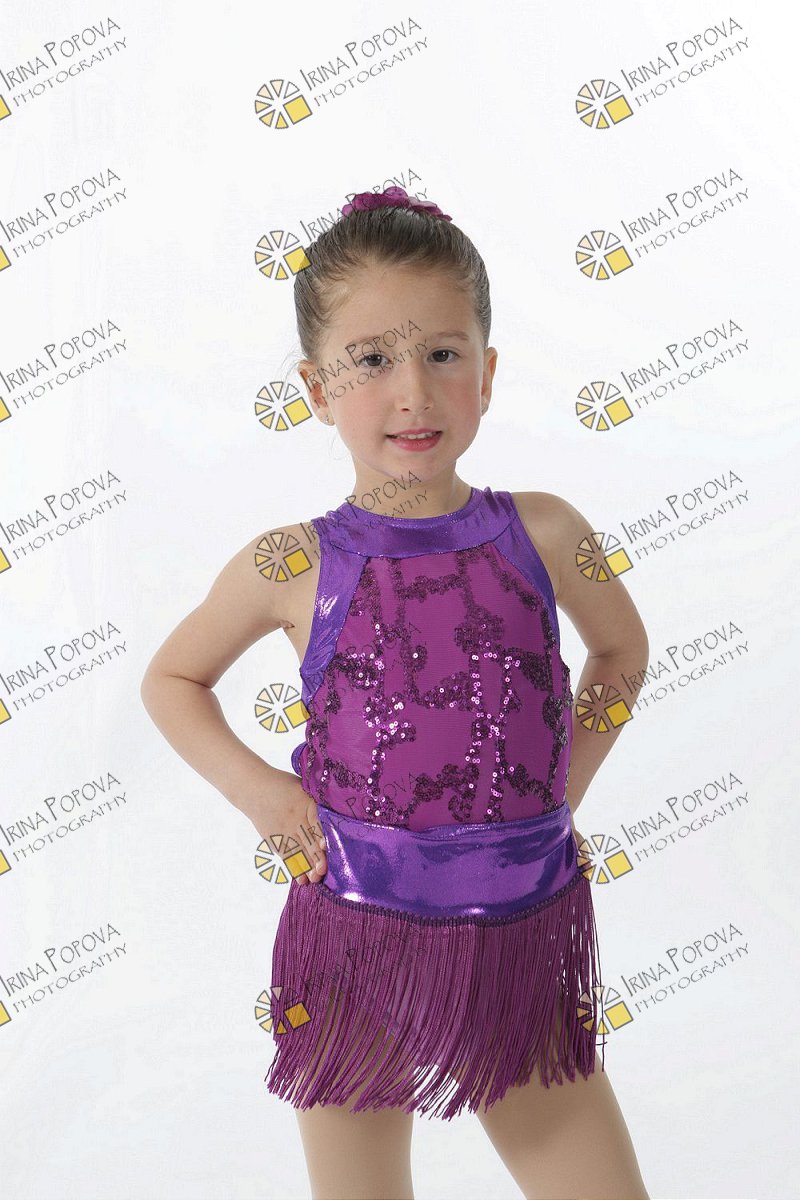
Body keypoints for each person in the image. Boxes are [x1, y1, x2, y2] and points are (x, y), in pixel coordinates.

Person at [140, 185, 651, 1200]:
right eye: (372, 360)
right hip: (350, 937)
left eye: (444, 354)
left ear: (488, 373)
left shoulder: (546, 532)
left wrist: (564, 787)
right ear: (316, 387)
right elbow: (172, 679)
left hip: (521, 932)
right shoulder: (292, 562)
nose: (413, 392)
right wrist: (264, 795)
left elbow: (620, 654)